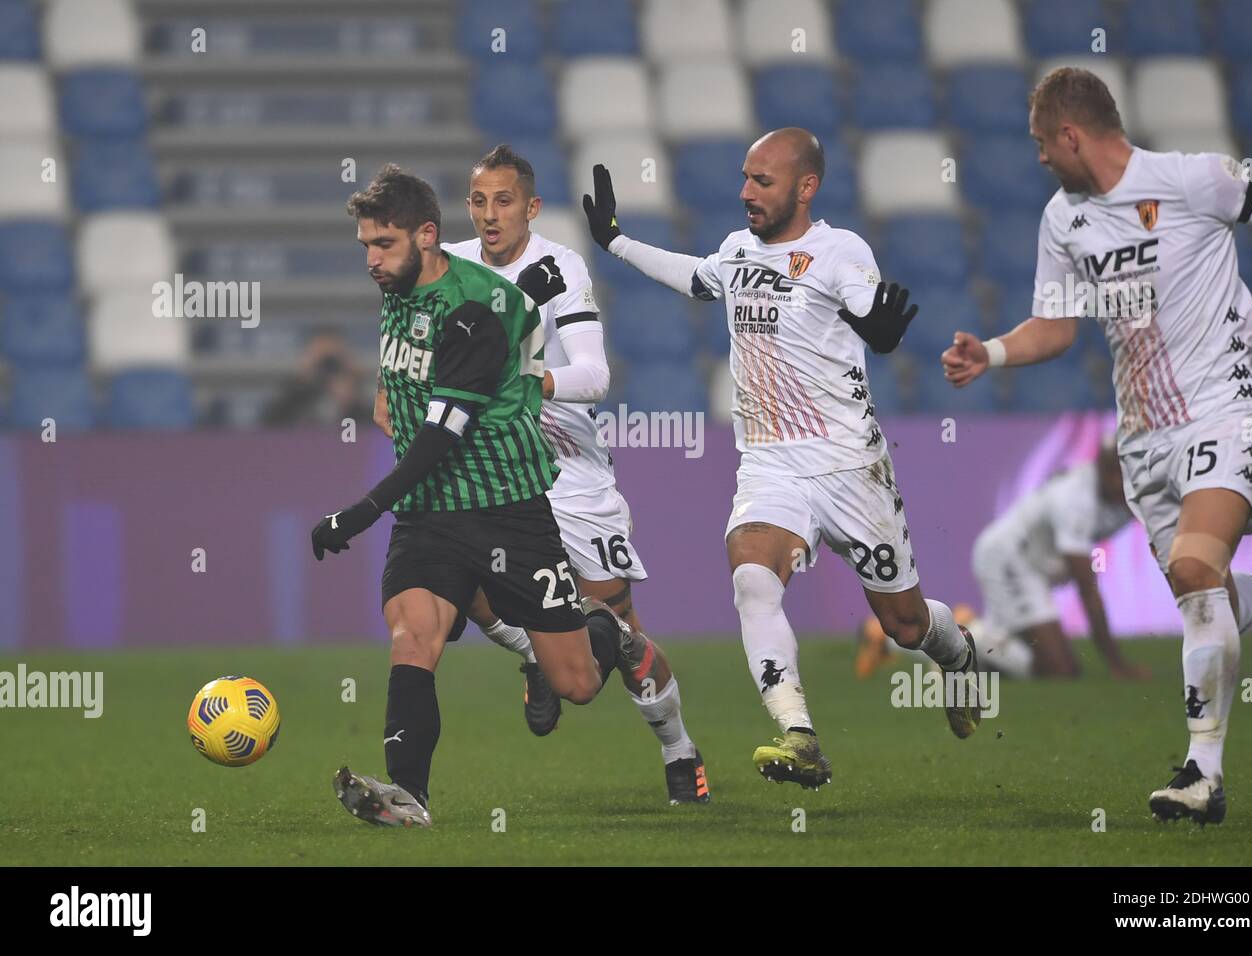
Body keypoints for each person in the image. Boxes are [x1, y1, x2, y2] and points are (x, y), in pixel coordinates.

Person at [940, 67, 1252, 824]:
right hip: (1142, 440)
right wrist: (993, 354)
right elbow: (1057, 329)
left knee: (1197, 569)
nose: (1038, 157)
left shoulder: (1194, 179)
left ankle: (1202, 773)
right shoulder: (1062, 222)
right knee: (1203, 591)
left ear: (1071, 134)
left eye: (1042, 143)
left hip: (1226, 409)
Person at [583, 127, 985, 792]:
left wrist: (877, 329)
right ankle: (798, 734)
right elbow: (697, 278)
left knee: (906, 625)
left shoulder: (838, 249)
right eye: (745, 177)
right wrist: (617, 243)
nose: (745, 192)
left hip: (851, 469)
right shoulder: (739, 250)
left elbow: (865, 304)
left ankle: (960, 655)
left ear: (805, 187)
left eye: (761, 181)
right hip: (771, 464)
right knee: (751, 579)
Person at [376, 144, 709, 805]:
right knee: (455, 581)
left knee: (619, 634)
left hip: (569, 472)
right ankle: (533, 648)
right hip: (488, 473)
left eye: (504, 201)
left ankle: (679, 748)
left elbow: (594, 376)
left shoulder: (558, 266)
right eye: (479, 201)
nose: (491, 214)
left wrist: (514, 378)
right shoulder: (451, 266)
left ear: (529, 207)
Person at [311, 163, 635, 827]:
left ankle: (608, 630)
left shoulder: (472, 309)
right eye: (366, 246)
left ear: (427, 236)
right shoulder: (399, 288)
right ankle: (411, 798)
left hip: (508, 511)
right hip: (430, 516)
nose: (371, 260)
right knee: (411, 636)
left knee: (576, 683)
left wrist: (360, 511)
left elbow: (440, 435)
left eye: (384, 245)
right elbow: (403, 397)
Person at [855, 437, 1148, 680]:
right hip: (1009, 561)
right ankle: (967, 631)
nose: (1119, 480)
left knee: (1006, 663)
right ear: (1100, 468)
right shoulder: (1075, 501)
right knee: (1058, 671)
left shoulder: (1129, 491)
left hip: (1031, 566)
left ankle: (906, 646)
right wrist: (1116, 664)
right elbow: (1087, 588)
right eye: (1112, 471)